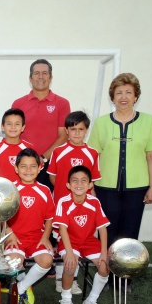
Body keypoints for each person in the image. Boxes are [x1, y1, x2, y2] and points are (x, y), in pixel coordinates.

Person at [87, 73, 152, 255]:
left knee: (130, 234)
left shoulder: (148, 121)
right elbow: (92, 156)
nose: (124, 97)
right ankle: (106, 274)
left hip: (137, 189)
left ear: (136, 96)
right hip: (105, 188)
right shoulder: (101, 123)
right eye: (119, 92)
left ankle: (125, 278)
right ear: (112, 97)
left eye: (129, 92)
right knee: (107, 232)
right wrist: (91, 185)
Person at [48, 110, 101, 294]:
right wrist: (65, 195)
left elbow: (91, 183)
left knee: (78, 240)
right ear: (67, 131)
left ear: (86, 130)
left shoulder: (92, 153)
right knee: (64, 240)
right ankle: (61, 279)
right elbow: (54, 178)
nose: (77, 133)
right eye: (73, 129)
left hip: (83, 209)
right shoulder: (58, 151)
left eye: (80, 129)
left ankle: (73, 280)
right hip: (63, 208)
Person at [53, 166, 110, 304]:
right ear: (68, 185)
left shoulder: (94, 202)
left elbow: (103, 229)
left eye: (84, 180)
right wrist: (70, 253)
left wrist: (104, 253)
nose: (79, 183)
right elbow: (63, 229)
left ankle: (91, 301)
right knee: (70, 265)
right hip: (69, 241)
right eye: (75, 180)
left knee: (105, 266)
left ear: (90, 185)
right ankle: (66, 299)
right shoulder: (63, 202)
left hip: (88, 241)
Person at [4, 148, 55, 304]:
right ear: (16, 168)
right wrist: (9, 232)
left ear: (40, 168)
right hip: (15, 237)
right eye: (23, 166)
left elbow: (49, 218)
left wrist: (46, 236)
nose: (28, 170)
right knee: (14, 263)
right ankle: (25, 285)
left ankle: (20, 288)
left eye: (33, 166)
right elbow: (0, 215)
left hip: (36, 237)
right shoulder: (9, 189)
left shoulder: (45, 190)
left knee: (47, 261)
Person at [12, 59, 71, 189]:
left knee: (47, 203)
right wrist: (29, 161)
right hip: (24, 165)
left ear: (50, 78)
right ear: (30, 78)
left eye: (44, 73)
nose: (40, 76)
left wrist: (42, 159)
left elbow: (64, 136)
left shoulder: (62, 103)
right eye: (37, 73)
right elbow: (13, 134)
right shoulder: (18, 104)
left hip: (50, 164)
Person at [0, 108, 36, 180]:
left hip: (23, 191)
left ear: (23, 127)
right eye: (9, 124)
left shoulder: (30, 148)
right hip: (1, 191)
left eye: (17, 124)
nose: (13, 127)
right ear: (2, 127)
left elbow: (34, 175)